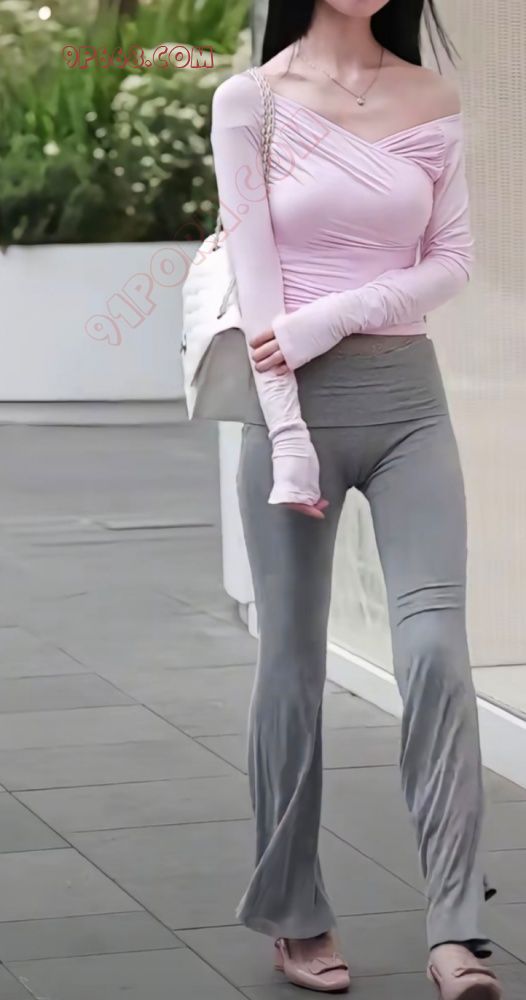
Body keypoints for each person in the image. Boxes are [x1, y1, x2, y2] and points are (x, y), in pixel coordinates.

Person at [209, 1, 501, 997]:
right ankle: (295, 915)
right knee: (290, 667)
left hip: (409, 405)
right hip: (289, 409)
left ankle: (456, 928)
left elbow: (451, 261)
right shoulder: (250, 100)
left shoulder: (432, 95)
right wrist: (288, 440)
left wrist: (334, 314)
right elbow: (254, 280)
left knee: (436, 652)